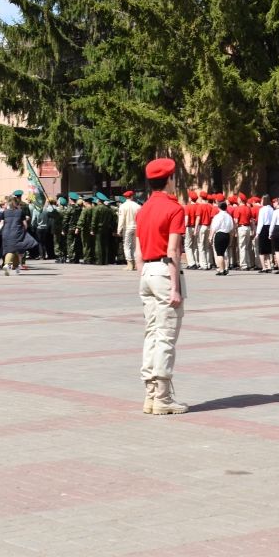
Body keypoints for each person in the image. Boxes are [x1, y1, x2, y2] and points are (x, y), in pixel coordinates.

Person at [135, 157, 188, 415]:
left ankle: (150, 395)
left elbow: (137, 251)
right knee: (166, 336)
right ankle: (163, 397)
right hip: (164, 271)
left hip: (146, 271)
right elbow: (173, 250)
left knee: (152, 333)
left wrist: (143, 276)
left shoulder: (143, 208)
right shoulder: (175, 208)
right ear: (169, 179)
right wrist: (175, 287)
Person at [0, 196, 39, 275]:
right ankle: (8, 264)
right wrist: (24, 230)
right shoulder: (20, 212)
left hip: (6, 233)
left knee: (12, 249)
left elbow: (1, 223)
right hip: (17, 232)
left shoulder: (4, 212)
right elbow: (25, 224)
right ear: (16, 203)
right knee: (14, 249)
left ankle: (15, 267)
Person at [209, 200, 235, 275]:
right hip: (227, 235)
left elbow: (214, 227)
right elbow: (231, 228)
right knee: (224, 252)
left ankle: (221, 269)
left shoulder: (217, 216)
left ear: (219, 208)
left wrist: (210, 236)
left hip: (219, 234)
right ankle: (226, 267)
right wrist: (231, 239)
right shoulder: (229, 216)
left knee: (219, 253)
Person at [118, 191, 142, 271]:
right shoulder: (138, 206)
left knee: (127, 246)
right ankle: (136, 264)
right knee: (135, 246)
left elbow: (121, 219)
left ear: (125, 197)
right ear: (132, 196)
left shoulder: (123, 206)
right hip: (137, 227)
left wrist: (119, 230)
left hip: (127, 227)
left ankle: (129, 264)